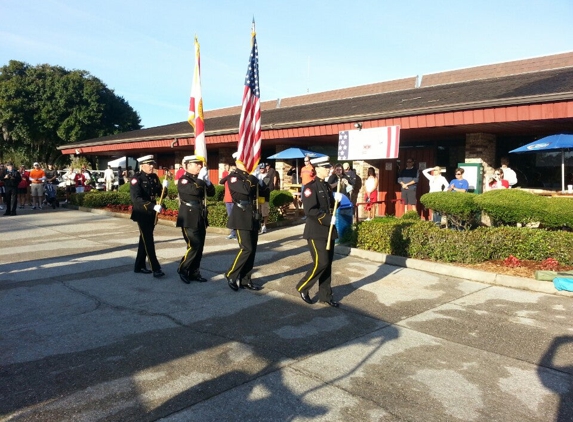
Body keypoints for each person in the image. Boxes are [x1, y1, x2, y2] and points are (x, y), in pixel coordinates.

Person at [296, 156, 342, 308]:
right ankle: (303, 286)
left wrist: (338, 200)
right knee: (321, 262)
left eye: (329, 167)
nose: (329, 169)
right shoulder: (310, 187)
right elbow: (310, 210)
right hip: (316, 230)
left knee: (327, 264)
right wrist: (328, 219)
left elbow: (328, 206)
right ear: (318, 169)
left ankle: (325, 295)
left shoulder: (326, 186)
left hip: (328, 230)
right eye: (326, 167)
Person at [225, 153, 270, 292]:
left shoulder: (249, 176)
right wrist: (252, 177)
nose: (248, 164)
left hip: (253, 216)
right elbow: (244, 190)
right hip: (241, 216)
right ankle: (231, 274)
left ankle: (246, 280)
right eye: (244, 161)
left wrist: (261, 180)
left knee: (253, 251)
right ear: (238, 162)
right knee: (246, 248)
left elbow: (264, 191)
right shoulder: (233, 177)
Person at [176, 155, 215, 284]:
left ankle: (194, 272)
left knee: (200, 246)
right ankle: (183, 269)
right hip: (188, 216)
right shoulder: (183, 180)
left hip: (200, 216)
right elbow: (194, 192)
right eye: (196, 164)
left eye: (200, 164)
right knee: (194, 245)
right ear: (188, 166)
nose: (200, 166)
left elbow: (212, 193)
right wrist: (200, 179)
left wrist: (208, 182)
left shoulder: (199, 179)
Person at [130, 154, 168, 278]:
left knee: (144, 240)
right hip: (142, 212)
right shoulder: (137, 179)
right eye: (149, 164)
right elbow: (136, 199)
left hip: (151, 212)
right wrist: (152, 206)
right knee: (149, 240)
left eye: (153, 164)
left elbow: (159, 192)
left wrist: (165, 187)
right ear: (142, 166)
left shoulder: (154, 177)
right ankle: (155, 268)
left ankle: (139, 266)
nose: (152, 166)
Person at [219, 162, 237, 240]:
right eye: (231, 169)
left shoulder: (236, 178)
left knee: (235, 216)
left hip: (234, 200)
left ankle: (236, 233)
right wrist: (229, 175)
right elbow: (221, 181)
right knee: (230, 217)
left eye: (234, 169)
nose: (232, 171)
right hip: (227, 199)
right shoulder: (227, 177)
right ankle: (232, 233)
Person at [257, 163, 270, 234]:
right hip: (258, 196)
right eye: (260, 168)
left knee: (264, 212)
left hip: (264, 196)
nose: (261, 169)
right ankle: (259, 225)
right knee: (258, 211)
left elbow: (264, 186)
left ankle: (264, 226)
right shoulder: (257, 175)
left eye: (263, 168)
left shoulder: (267, 176)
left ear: (265, 168)